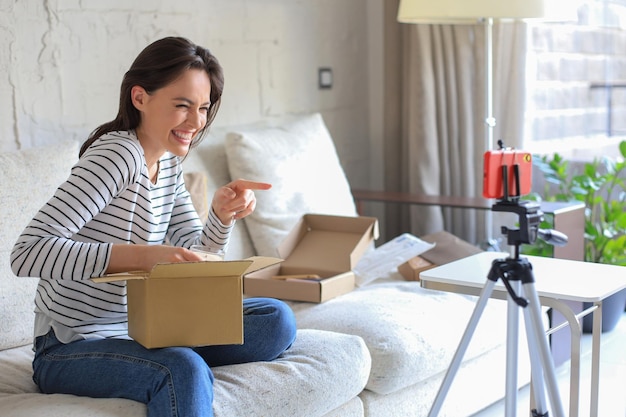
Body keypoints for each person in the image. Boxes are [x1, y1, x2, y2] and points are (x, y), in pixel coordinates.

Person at [10, 36, 297, 417]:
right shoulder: (117, 156)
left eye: (203, 109)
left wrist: (221, 215)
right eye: (182, 106)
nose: (196, 122)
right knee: (181, 366)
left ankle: (159, 362)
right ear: (140, 97)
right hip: (68, 347)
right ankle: (169, 370)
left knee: (275, 320)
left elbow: (196, 257)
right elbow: (27, 252)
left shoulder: (169, 163)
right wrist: (142, 257)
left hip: (145, 330)